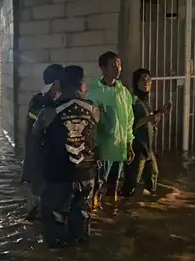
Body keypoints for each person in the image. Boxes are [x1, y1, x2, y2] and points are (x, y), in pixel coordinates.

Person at [32, 65, 99, 247]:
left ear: (60, 85)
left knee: (54, 224)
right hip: (86, 175)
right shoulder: (93, 109)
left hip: (58, 175)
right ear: (82, 84)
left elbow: (35, 135)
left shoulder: (49, 111)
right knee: (82, 222)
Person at [86, 51, 135, 214]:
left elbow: (129, 120)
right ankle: (95, 213)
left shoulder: (124, 92)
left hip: (119, 147)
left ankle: (110, 211)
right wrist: (95, 147)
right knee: (99, 182)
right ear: (103, 69)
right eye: (113, 65)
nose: (118, 68)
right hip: (103, 148)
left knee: (114, 182)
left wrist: (129, 144)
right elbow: (90, 123)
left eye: (119, 64)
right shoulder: (95, 92)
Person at [21, 63, 64, 220]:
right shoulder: (39, 102)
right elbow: (36, 132)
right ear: (55, 82)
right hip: (39, 156)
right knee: (38, 194)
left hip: (49, 158)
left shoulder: (54, 99)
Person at [120, 68, 172, 197]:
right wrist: (150, 118)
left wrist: (160, 112)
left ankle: (148, 206)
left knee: (153, 176)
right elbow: (131, 123)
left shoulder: (145, 101)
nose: (146, 82)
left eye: (148, 79)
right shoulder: (133, 100)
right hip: (137, 150)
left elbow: (149, 119)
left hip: (147, 149)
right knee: (131, 184)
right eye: (142, 79)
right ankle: (122, 208)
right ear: (136, 83)